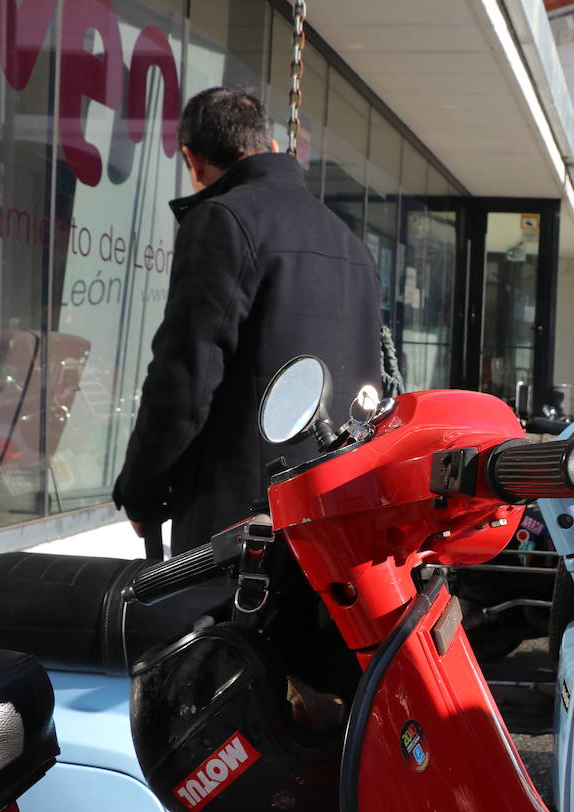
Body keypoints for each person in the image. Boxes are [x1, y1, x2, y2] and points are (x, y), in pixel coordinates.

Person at [114, 87, 381, 555]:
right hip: (338, 509)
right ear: (273, 147)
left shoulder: (224, 221)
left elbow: (184, 379)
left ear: (193, 161)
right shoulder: (348, 240)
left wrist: (142, 488)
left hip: (243, 523)